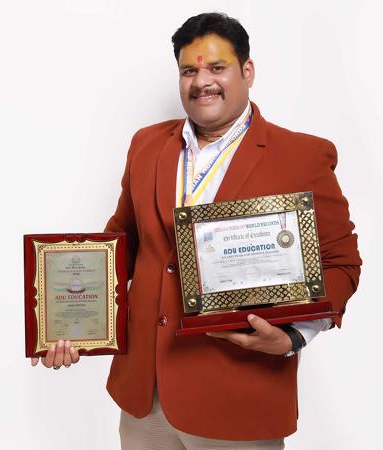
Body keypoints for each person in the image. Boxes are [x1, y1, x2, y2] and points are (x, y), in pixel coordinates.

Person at [32, 12, 362, 449]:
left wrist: (292, 336)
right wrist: (70, 327)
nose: (202, 81)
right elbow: (121, 246)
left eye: (217, 67)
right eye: (189, 70)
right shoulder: (147, 145)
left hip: (238, 396)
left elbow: (341, 262)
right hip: (144, 399)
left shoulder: (302, 156)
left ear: (247, 71)